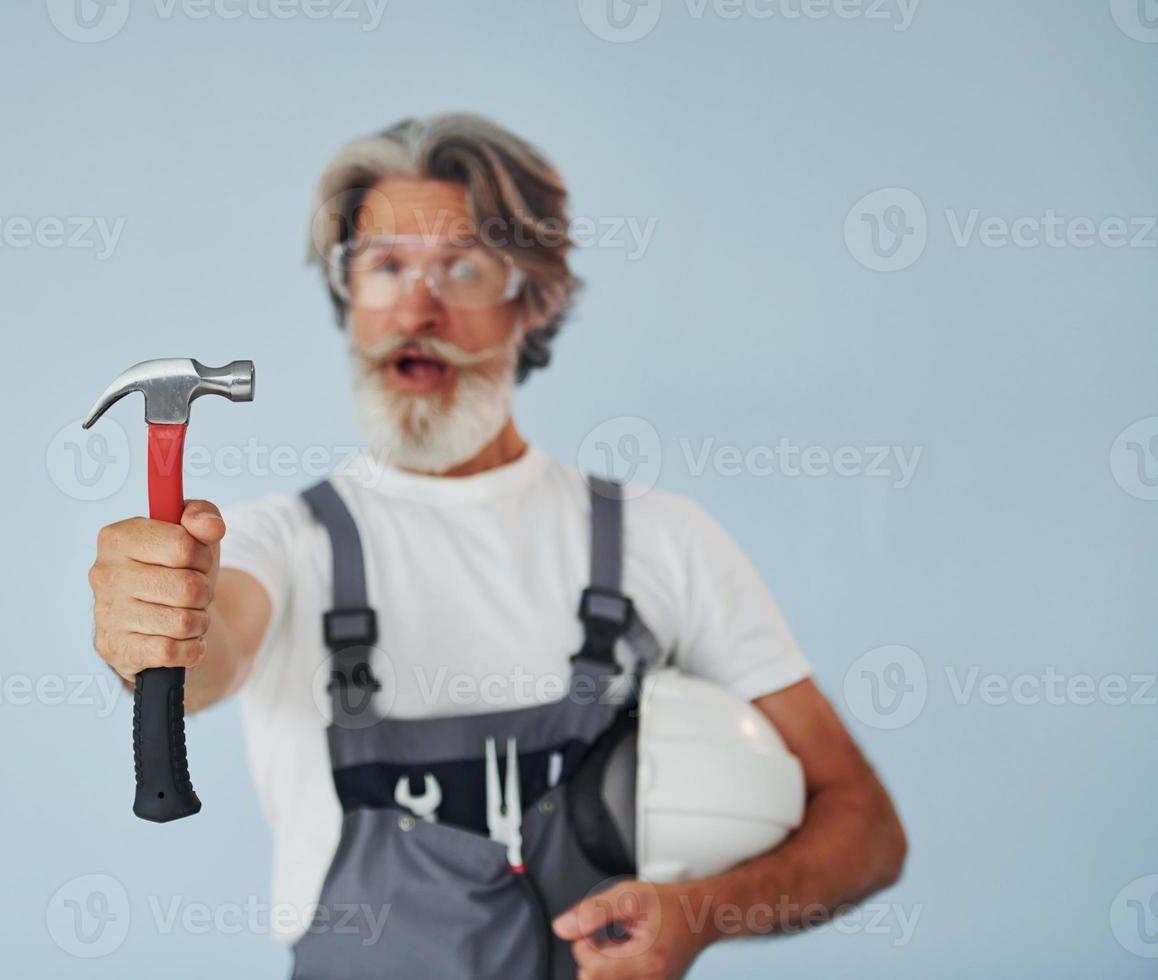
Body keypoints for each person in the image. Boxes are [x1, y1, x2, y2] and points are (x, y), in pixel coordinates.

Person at [87, 112, 906, 979]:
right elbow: (208, 657)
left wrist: (698, 916)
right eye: (384, 266)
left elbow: (865, 827)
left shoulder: (666, 544)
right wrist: (150, 626)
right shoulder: (280, 541)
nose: (417, 306)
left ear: (535, 298)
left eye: (463, 266)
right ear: (347, 298)